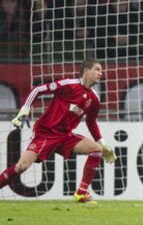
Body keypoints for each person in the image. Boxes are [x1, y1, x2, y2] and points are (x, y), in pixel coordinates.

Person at [0, 59, 117, 203]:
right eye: (97, 69)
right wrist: (24, 110)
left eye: (101, 70)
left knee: (96, 149)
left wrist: (103, 143)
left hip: (65, 136)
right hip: (46, 133)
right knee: (21, 167)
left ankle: (81, 193)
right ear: (86, 71)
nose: (101, 73)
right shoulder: (69, 84)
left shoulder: (94, 99)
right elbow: (38, 89)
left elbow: (91, 122)